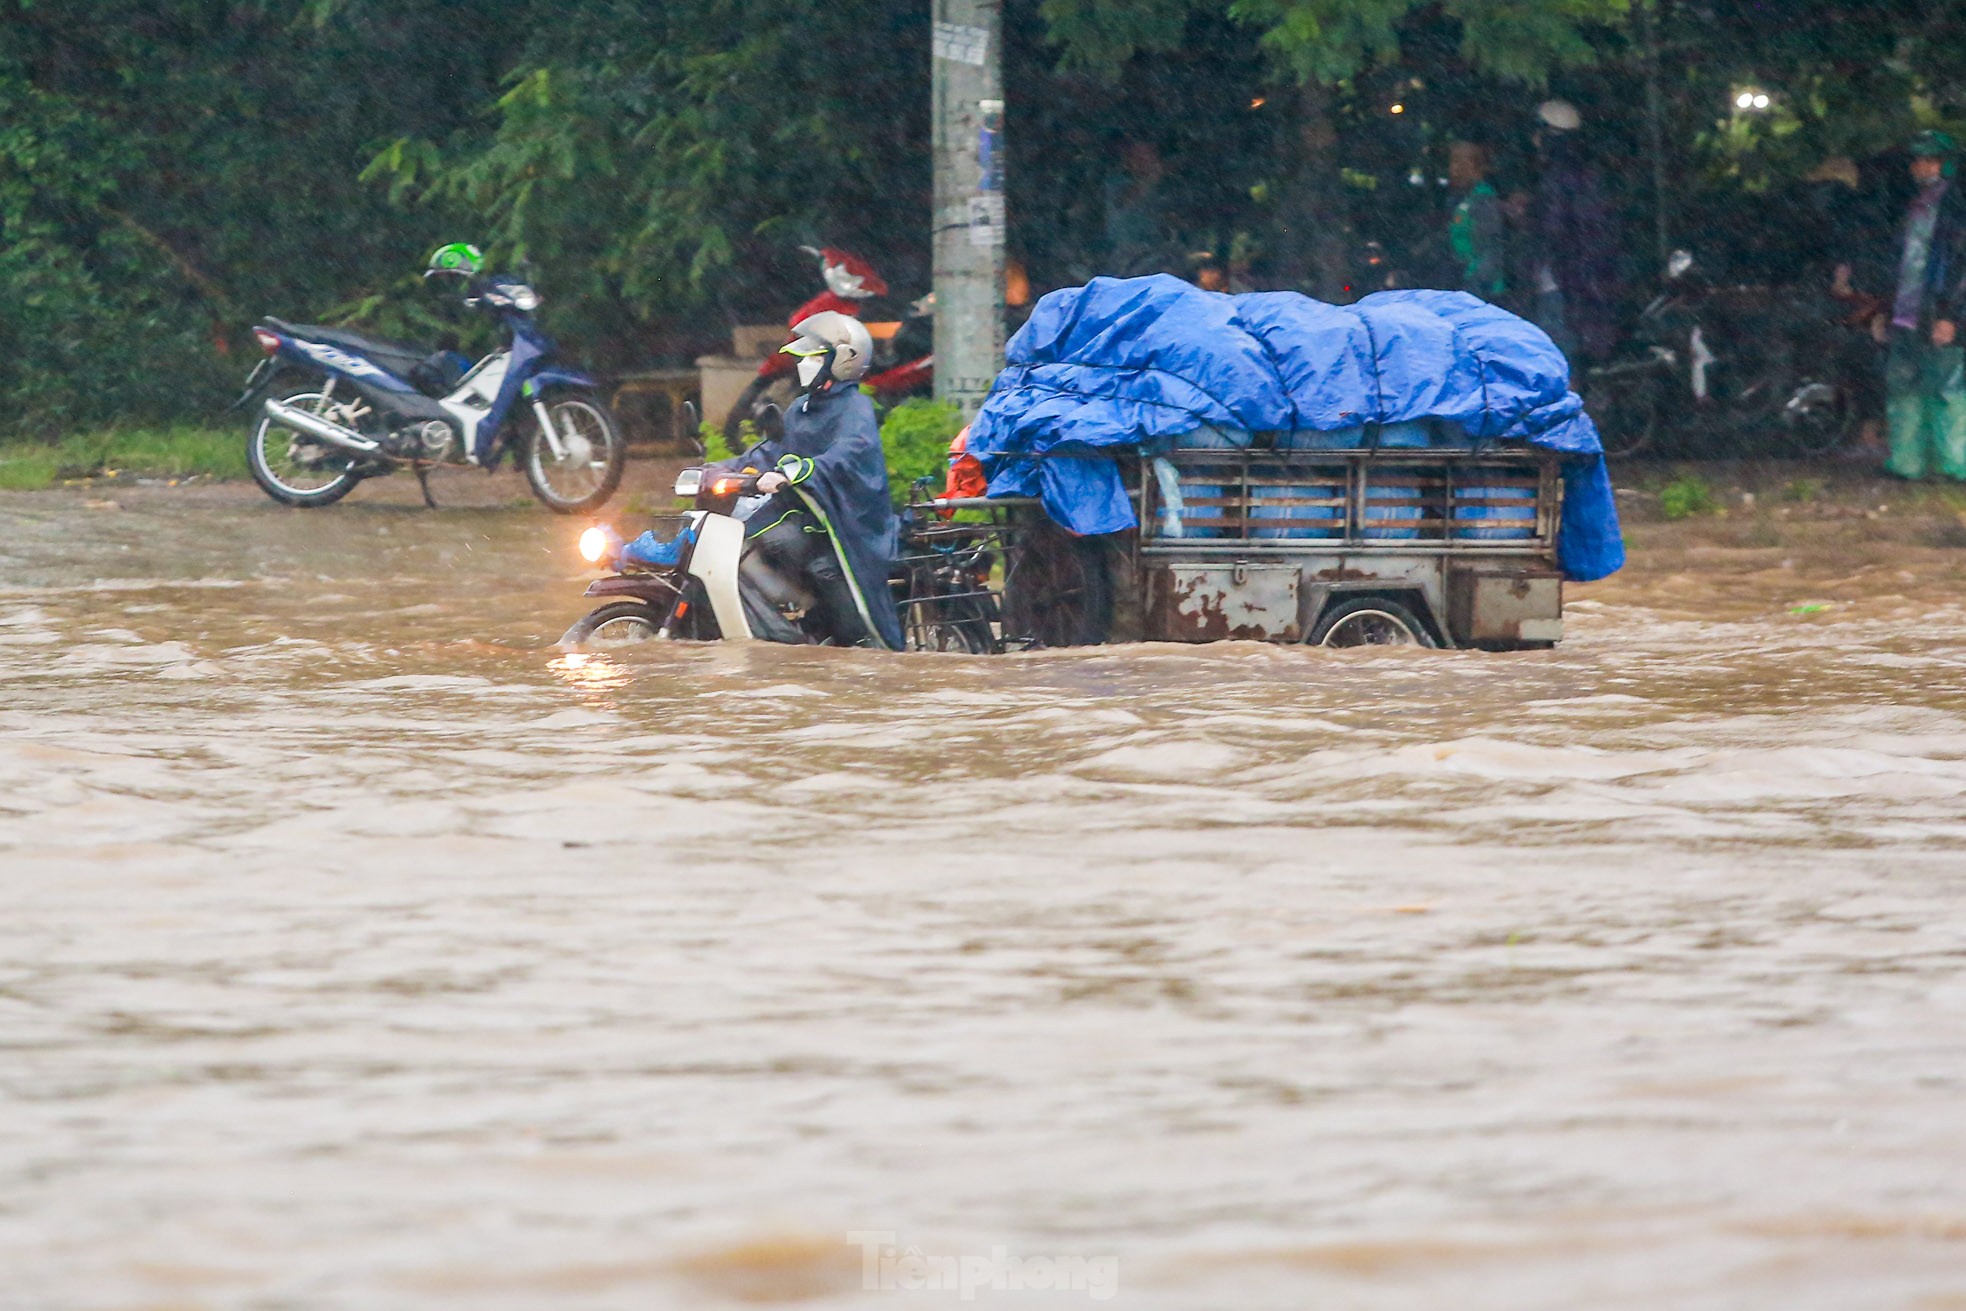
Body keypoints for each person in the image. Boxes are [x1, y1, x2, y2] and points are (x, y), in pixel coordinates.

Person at [722, 310, 906, 648]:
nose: (803, 364)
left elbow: (846, 455)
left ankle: (858, 642)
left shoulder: (856, 408)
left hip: (848, 521)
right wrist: (718, 470)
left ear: (843, 360)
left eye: (813, 357)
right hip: (811, 516)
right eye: (802, 358)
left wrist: (797, 471)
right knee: (758, 540)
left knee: (812, 560)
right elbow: (768, 453)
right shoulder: (801, 409)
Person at [1877, 130, 1966, 481]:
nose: (1919, 166)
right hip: (1908, 314)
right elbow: (1902, 262)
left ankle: (1956, 465)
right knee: (1904, 388)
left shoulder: (1956, 208)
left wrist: (1952, 317)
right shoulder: (1916, 206)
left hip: (1938, 313)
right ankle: (1907, 463)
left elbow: (1959, 267)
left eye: (1927, 159)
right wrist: (1887, 308)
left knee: (1949, 390)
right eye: (1917, 159)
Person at [1525, 100, 1623, 363]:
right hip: (1588, 276)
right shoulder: (1589, 168)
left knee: (1556, 348)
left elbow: (1553, 226)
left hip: (1561, 277)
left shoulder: (1555, 173)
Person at [1447, 141, 1507, 301]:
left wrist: (1477, 275)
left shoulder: (1483, 196)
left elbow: (1489, 241)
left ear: (1468, 164)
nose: (1451, 169)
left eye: (1454, 162)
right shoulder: (1464, 196)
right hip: (1466, 275)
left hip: (1477, 279)